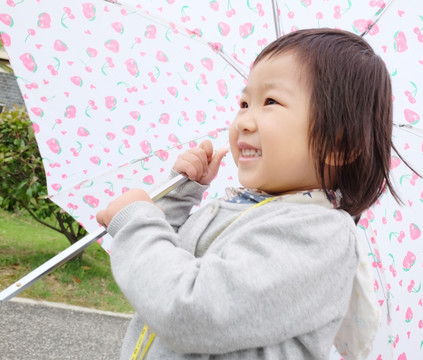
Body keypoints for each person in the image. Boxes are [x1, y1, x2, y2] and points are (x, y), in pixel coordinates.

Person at [97, 28, 399, 360]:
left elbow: (191, 313)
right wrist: (179, 197)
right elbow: (159, 280)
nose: (243, 121)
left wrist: (136, 223)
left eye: (270, 101)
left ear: (339, 146)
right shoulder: (240, 206)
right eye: (244, 102)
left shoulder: (318, 233)